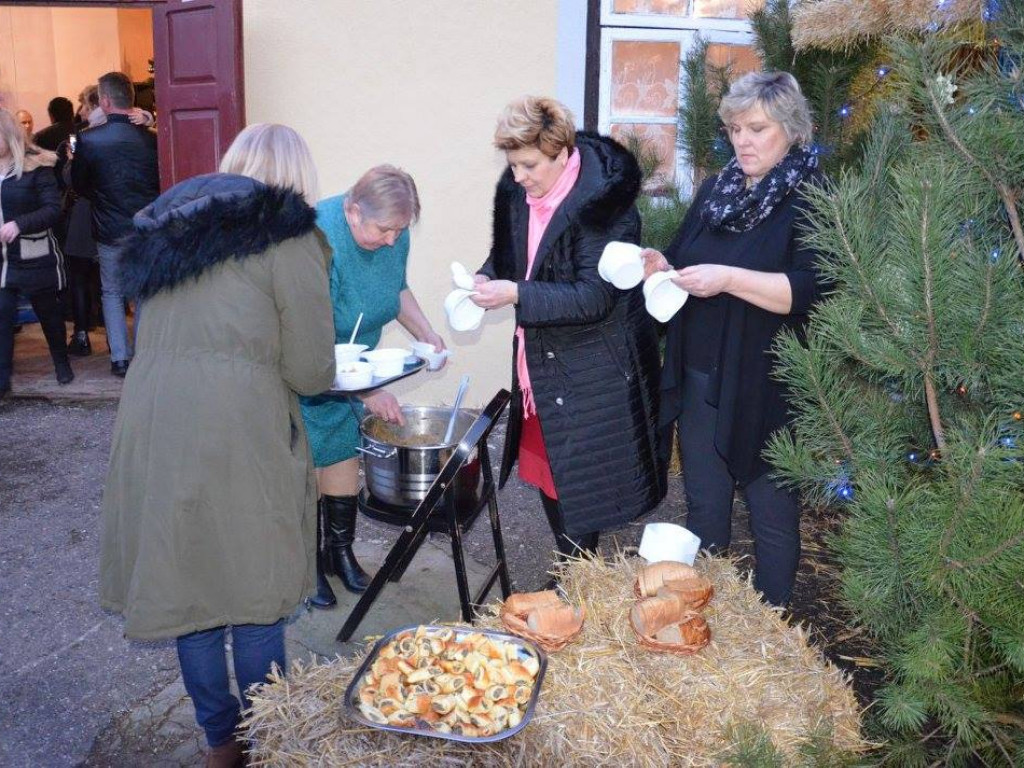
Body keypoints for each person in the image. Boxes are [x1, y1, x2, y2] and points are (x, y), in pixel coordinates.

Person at [99, 123, 335, 767]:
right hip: (240, 427)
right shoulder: (288, 237)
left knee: (192, 583)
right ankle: (269, 739)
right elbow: (314, 370)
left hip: (155, 421)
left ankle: (219, 743)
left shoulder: (163, 230)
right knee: (254, 592)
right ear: (292, 179)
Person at [641, 71, 825, 607]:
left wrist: (727, 279)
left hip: (769, 384)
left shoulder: (812, 197)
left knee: (771, 514)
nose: (742, 140)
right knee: (704, 500)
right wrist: (663, 264)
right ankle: (707, 614)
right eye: (735, 129)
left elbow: (807, 291)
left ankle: (773, 627)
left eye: (757, 129)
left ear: (790, 131)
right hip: (700, 372)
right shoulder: (717, 190)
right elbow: (684, 253)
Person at [471, 96, 665, 570]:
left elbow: (594, 297)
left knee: (577, 479)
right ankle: (573, 570)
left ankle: (580, 578)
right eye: (513, 165)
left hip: (591, 371)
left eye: (529, 165)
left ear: (562, 152)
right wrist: (483, 277)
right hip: (541, 364)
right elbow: (510, 258)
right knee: (549, 471)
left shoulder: (606, 206)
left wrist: (515, 293)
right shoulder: (518, 193)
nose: (518, 177)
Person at [298, 165, 446, 607]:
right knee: (307, 462)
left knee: (344, 450)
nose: (392, 241)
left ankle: (337, 553)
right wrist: (367, 392)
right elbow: (306, 327)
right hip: (311, 363)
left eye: (400, 231)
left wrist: (427, 334)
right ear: (351, 210)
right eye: (384, 230)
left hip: (356, 363)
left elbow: (396, 288)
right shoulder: (316, 238)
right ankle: (305, 566)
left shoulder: (390, 231)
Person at [71, 72, 159, 377]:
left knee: (111, 292)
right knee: (143, 292)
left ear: (104, 101)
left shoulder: (88, 139)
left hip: (108, 227)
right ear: (130, 100)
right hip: (146, 228)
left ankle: (120, 358)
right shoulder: (153, 139)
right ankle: (146, 353)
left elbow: (79, 185)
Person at [0, 108, 72, 397]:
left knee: (48, 313)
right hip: (3, 260)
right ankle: (3, 380)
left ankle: (61, 362)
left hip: (34, 255)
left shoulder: (36, 166)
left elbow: (53, 209)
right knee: (2, 315)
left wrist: (19, 224)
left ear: (8, 136)